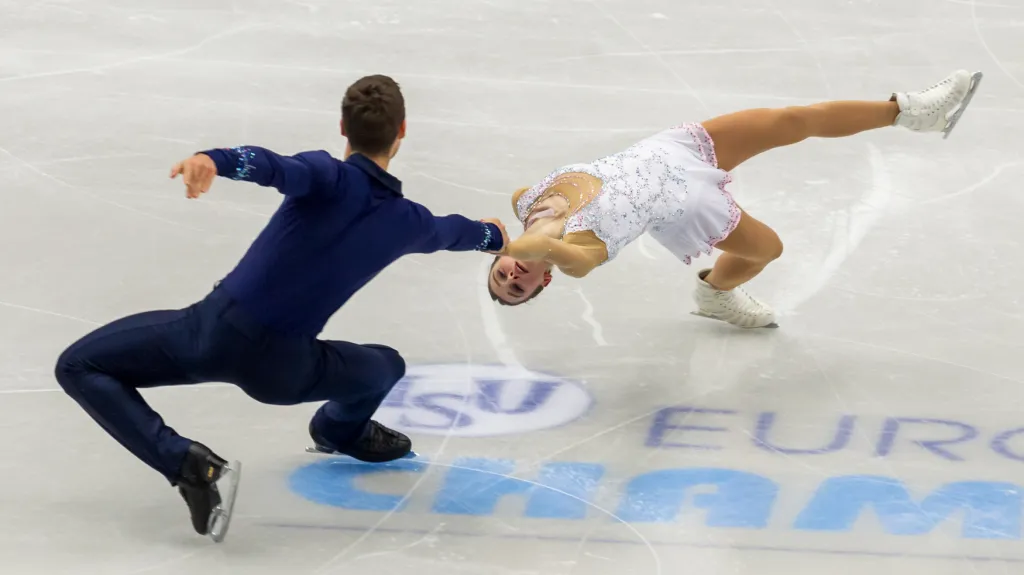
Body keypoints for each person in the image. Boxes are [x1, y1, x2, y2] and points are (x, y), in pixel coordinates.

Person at [53, 75, 508, 542]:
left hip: (211, 334)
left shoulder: (325, 175)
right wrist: (495, 237)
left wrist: (214, 160)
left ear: (342, 128)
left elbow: (271, 166)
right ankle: (338, 430)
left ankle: (186, 463)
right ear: (403, 130)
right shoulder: (407, 221)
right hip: (284, 372)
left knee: (78, 365)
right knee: (386, 365)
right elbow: (456, 232)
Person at [487, 69, 983, 328]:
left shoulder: (525, 201)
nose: (512, 277)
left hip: (666, 151)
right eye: (518, 288)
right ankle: (716, 293)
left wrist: (524, 230)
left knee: (790, 121)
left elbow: (526, 229)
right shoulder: (578, 256)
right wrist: (522, 246)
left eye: (501, 279)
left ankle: (912, 113)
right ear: (543, 283)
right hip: (682, 201)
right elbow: (549, 253)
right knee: (768, 250)